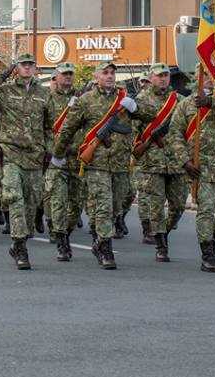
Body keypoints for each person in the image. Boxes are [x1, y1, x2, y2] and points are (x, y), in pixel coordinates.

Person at [53, 62, 146, 269]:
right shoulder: (85, 101)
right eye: (105, 72)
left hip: (121, 164)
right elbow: (68, 129)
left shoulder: (124, 99)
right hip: (96, 164)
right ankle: (105, 249)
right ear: (96, 76)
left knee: (115, 207)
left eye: (113, 73)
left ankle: (99, 241)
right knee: (103, 206)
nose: (110, 76)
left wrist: (136, 107)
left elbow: (150, 116)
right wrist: (58, 154)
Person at [0, 54, 54, 270]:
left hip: (35, 156)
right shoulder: (5, 91)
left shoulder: (44, 93)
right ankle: (20, 248)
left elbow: (50, 126)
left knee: (32, 203)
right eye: (23, 65)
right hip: (11, 154)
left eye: (31, 65)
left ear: (35, 68)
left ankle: (21, 239)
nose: (27, 68)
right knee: (15, 198)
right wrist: (2, 75)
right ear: (16, 68)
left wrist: (50, 150)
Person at [169, 72, 215, 273]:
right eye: (205, 75)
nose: (209, 78)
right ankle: (208, 252)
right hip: (200, 168)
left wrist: (210, 102)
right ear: (198, 77)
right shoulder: (186, 104)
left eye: (212, 75)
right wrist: (184, 161)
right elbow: (175, 134)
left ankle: (212, 238)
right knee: (206, 210)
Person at [131, 63, 187, 262]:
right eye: (159, 76)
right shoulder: (141, 101)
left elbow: (191, 127)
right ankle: (161, 245)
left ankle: (163, 232)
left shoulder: (179, 101)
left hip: (177, 162)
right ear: (151, 78)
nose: (163, 79)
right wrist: (145, 143)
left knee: (179, 205)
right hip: (152, 163)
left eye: (166, 76)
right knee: (156, 206)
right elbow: (134, 133)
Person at [43, 62, 85, 260]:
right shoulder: (46, 99)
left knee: (77, 204)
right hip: (56, 159)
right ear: (56, 77)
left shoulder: (82, 99)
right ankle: (61, 242)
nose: (68, 77)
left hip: (77, 159)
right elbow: (38, 127)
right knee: (58, 201)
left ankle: (65, 232)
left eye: (70, 74)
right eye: (64, 74)